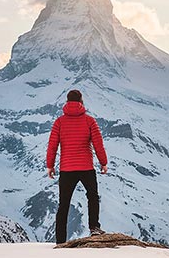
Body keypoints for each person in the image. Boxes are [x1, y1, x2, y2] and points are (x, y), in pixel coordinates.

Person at [46, 89, 108, 244]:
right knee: (92, 197)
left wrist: (50, 166)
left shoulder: (59, 122)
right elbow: (98, 144)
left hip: (67, 169)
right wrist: (103, 163)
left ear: (67, 102)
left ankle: (60, 240)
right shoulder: (89, 121)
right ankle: (94, 227)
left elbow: (52, 146)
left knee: (64, 204)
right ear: (81, 101)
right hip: (86, 167)